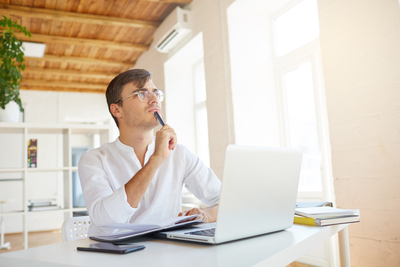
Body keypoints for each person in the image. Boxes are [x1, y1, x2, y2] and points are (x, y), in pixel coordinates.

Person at [78, 69, 221, 236]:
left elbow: (226, 199)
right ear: (117, 110)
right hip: (115, 256)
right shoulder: (94, 160)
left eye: (156, 93)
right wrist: (156, 159)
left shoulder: (179, 153)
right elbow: (106, 221)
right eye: (142, 93)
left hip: (167, 253)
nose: (154, 100)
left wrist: (207, 215)